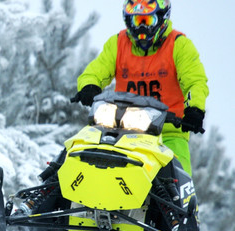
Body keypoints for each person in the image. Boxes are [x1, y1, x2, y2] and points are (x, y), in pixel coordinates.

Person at [71, 0, 208, 176]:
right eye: (137, 22)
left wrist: (195, 108)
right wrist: (89, 86)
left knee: (179, 180)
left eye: (147, 21)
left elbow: (195, 81)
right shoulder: (118, 43)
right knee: (79, 148)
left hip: (168, 132)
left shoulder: (179, 45)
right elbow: (95, 70)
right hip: (120, 128)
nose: (141, 29)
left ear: (162, 19)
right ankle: (50, 190)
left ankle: (178, 202)